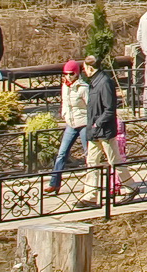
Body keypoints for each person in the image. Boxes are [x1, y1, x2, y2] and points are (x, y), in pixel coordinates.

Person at [77, 55, 136, 204]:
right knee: (92, 162)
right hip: (95, 131)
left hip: (104, 131)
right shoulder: (95, 82)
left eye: (85, 68)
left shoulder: (104, 82)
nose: (84, 71)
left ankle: (131, 187)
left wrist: (98, 123)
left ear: (90, 68)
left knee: (114, 161)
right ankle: (90, 197)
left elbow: (109, 109)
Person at [45, 60, 89, 195]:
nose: (68, 76)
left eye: (71, 74)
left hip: (83, 122)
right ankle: (54, 183)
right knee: (61, 154)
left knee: (89, 155)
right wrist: (64, 114)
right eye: (66, 74)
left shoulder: (83, 87)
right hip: (71, 123)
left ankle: (90, 185)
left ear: (76, 74)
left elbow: (91, 106)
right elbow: (64, 102)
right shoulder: (65, 86)